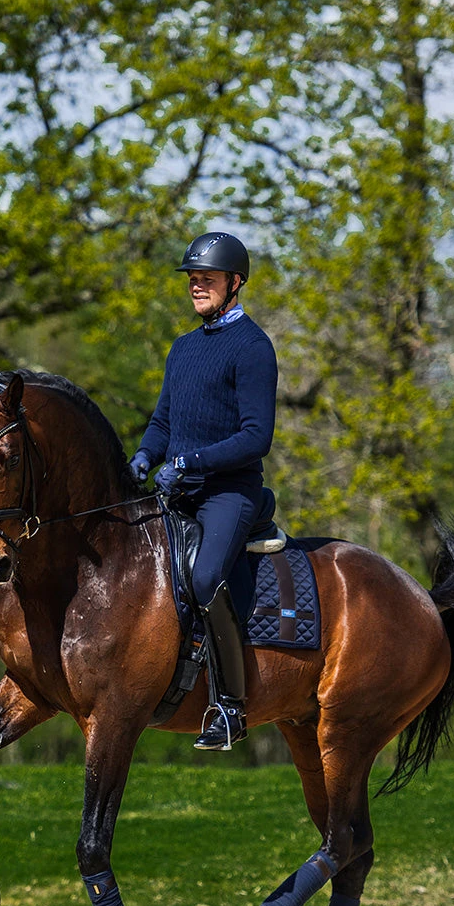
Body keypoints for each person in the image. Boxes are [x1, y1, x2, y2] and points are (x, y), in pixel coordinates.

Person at [129, 232, 278, 750]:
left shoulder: (253, 348)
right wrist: (144, 456)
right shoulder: (183, 347)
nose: (196, 286)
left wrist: (191, 462)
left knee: (206, 575)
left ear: (235, 283)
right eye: (193, 279)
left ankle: (230, 708)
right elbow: (163, 421)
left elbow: (256, 437)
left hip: (228, 493)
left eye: (207, 279)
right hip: (179, 490)